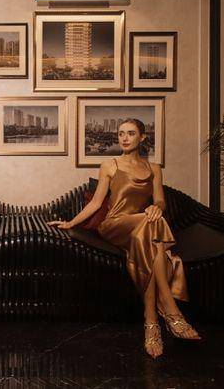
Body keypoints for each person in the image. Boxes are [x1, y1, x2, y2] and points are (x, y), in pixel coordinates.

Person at [48, 118, 200, 359]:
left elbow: (160, 200)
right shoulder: (110, 165)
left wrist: (157, 207)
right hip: (115, 225)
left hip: (142, 230)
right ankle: (171, 309)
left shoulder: (154, 169)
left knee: (147, 234)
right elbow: (97, 203)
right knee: (152, 224)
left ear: (142, 137)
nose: (125, 138)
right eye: (121, 134)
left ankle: (151, 321)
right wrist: (70, 223)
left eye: (130, 133)